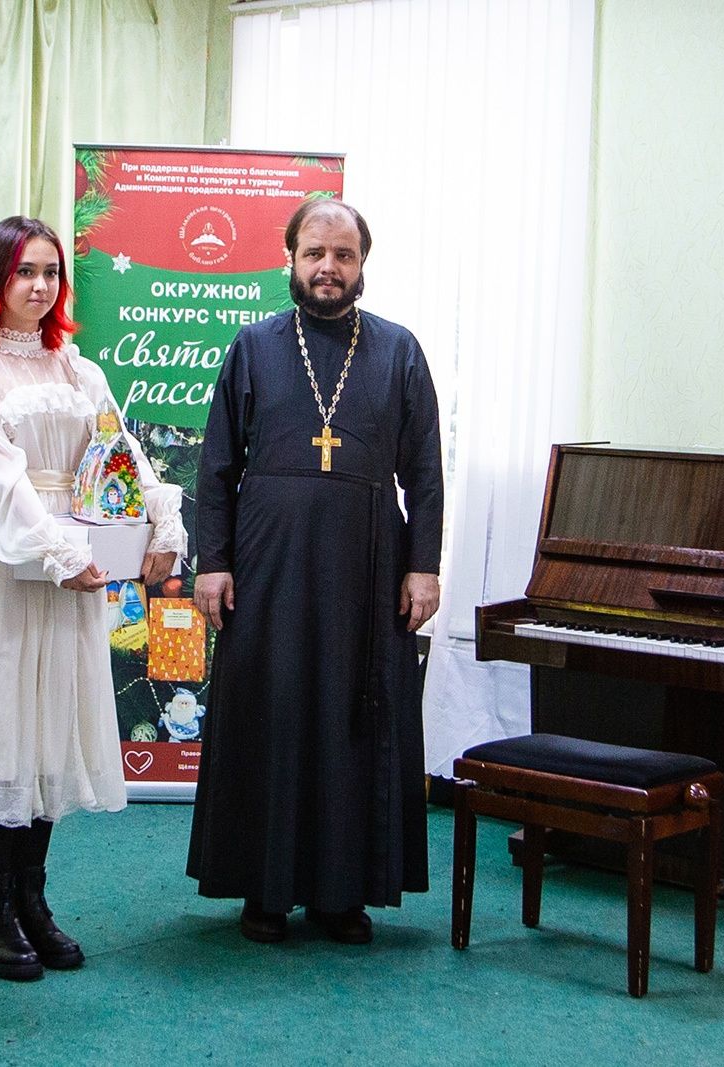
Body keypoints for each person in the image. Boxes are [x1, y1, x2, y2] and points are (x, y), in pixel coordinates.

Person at [0, 216, 184, 980]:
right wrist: (57, 551)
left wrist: (161, 521)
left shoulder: (80, 371)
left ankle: (32, 900)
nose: (39, 285)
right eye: (24, 271)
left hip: (76, 560)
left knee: (48, 728)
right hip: (3, 562)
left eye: (50, 272)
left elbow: (121, 456)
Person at [186, 198, 445, 945]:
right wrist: (214, 562)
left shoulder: (398, 350)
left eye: (343, 255)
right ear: (291, 258)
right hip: (268, 564)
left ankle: (341, 893)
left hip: (368, 568)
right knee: (271, 712)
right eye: (315, 253)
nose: (328, 268)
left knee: (352, 723)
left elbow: (425, 472)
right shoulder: (254, 346)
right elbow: (217, 465)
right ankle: (263, 890)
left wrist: (423, 566)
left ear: (362, 263)